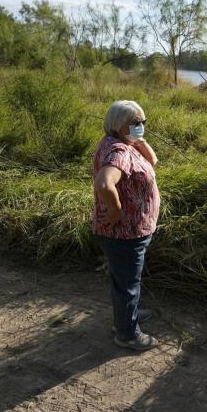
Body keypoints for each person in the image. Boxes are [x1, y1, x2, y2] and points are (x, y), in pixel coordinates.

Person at [91, 100, 160, 351]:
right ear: (119, 125)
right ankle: (127, 334)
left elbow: (152, 161)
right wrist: (116, 210)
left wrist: (138, 139)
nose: (140, 125)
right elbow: (104, 184)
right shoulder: (118, 151)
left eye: (142, 121)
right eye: (135, 122)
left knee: (124, 280)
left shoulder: (124, 143)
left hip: (130, 232)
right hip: (124, 234)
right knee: (128, 284)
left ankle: (127, 316)